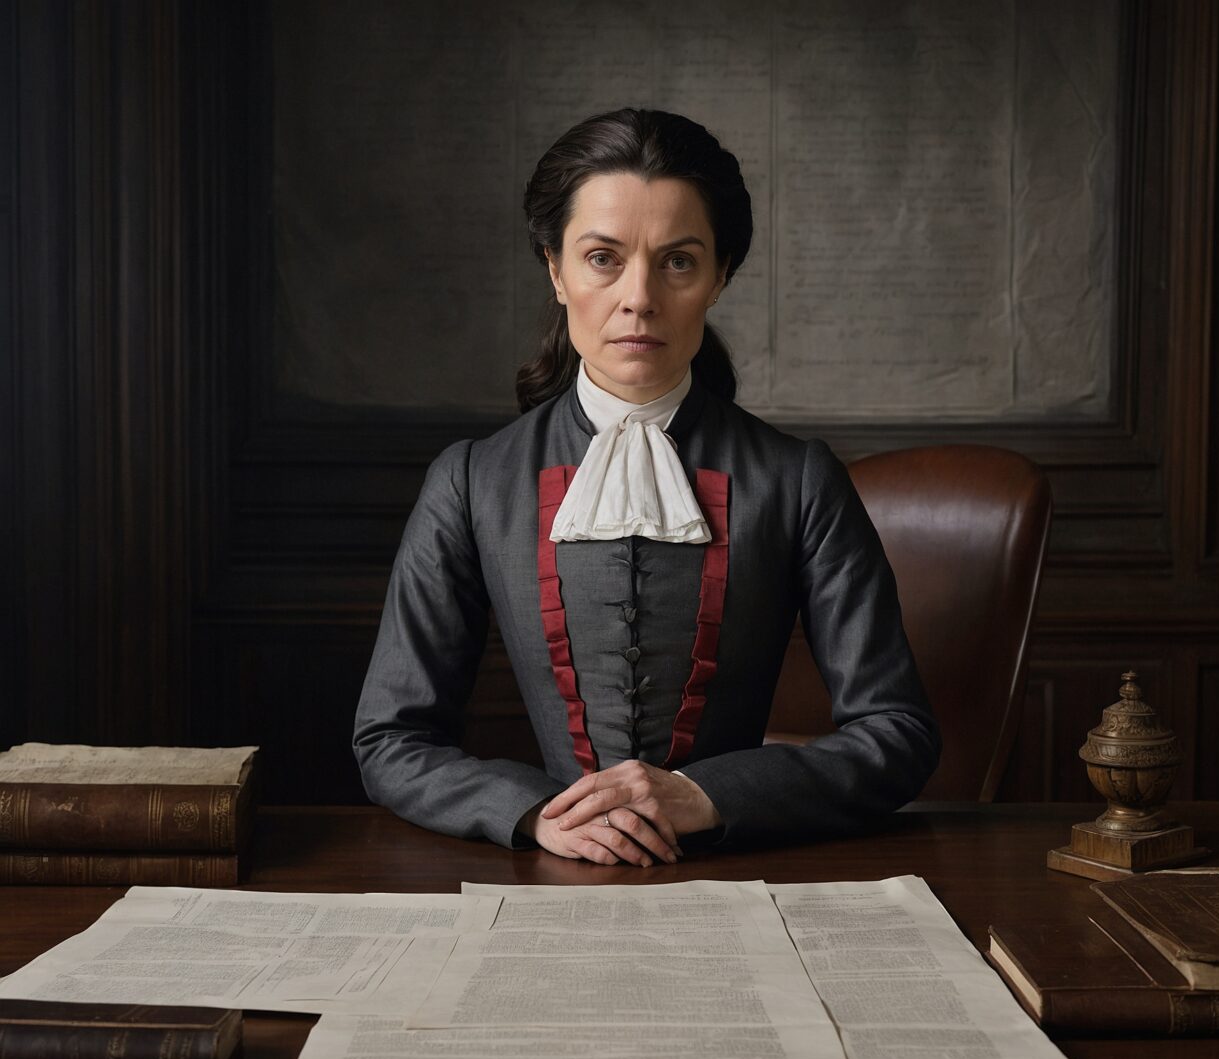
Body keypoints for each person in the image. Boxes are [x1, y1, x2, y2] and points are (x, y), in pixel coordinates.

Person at [353, 107, 939, 866]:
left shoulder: (797, 480)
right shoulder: (471, 482)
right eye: (603, 258)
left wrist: (707, 796)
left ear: (720, 276)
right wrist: (534, 814)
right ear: (555, 269)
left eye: (678, 261)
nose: (639, 297)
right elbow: (389, 739)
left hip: (748, 875)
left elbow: (899, 733)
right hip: (548, 879)